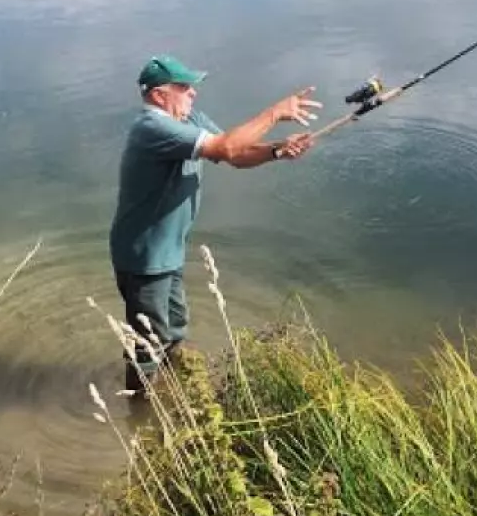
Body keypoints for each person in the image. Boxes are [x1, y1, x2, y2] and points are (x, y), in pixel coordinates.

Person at [109, 54, 322, 393]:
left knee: (175, 328)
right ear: (159, 95)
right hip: (145, 256)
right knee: (148, 342)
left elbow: (237, 154)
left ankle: (174, 392)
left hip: (168, 250)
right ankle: (140, 405)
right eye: (184, 87)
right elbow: (227, 148)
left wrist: (277, 150)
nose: (193, 92)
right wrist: (274, 113)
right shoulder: (153, 127)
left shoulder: (189, 119)